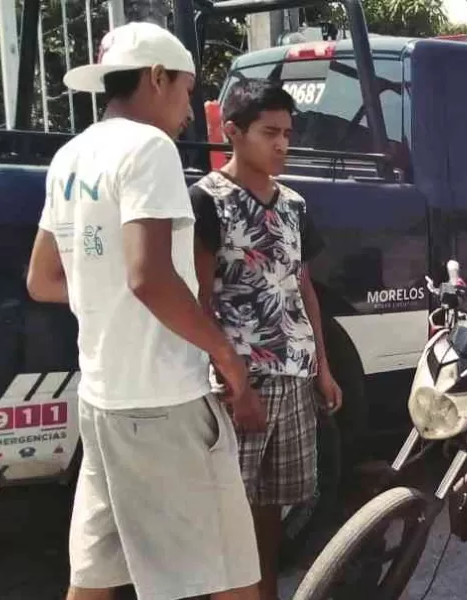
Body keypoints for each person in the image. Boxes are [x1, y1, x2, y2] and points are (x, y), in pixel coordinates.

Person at [26, 22, 266, 600]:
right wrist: (227, 359)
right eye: (186, 90)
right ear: (157, 78)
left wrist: (108, 291)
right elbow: (149, 277)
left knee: (96, 575)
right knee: (231, 574)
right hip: (165, 401)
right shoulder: (149, 148)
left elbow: (43, 279)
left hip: (103, 401)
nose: (190, 108)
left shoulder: (71, 155)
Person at [190, 78, 343, 600]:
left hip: (295, 377)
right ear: (232, 132)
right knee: (225, 508)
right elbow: (200, 299)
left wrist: (322, 367)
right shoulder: (208, 202)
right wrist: (235, 384)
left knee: (272, 507)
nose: (281, 144)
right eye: (269, 132)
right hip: (241, 384)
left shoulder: (295, 205)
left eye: (287, 134)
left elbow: (302, 288)